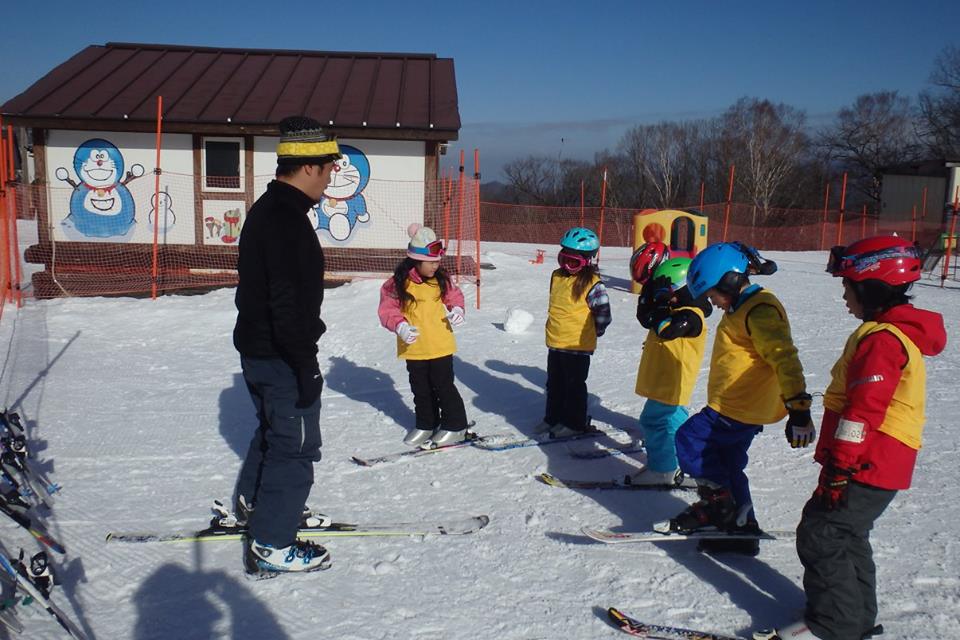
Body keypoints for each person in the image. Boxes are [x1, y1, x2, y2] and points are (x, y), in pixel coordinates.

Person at [755, 237, 945, 640]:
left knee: (822, 533)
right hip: (880, 457)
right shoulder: (887, 332)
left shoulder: (882, 341)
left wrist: (842, 464)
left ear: (871, 287)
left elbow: (863, 410)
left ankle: (835, 625)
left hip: (869, 458)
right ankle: (853, 618)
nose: (844, 296)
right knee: (845, 532)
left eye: (848, 287)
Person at [232, 115, 340, 576]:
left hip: (260, 350)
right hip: (279, 355)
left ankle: (257, 507)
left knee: (274, 433)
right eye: (330, 166)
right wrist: (304, 365)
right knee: (295, 446)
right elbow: (287, 304)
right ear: (309, 167)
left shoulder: (272, 209)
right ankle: (273, 543)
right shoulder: (286, 222)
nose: (333, 174)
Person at [662, 241, 815, 556]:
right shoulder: (741, 307)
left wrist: (798, 407)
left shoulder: (759, 311)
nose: (713, 302)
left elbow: (784, 358)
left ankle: (720, 507)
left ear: (730, 281)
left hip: (737, 408)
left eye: (713, 295)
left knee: (690, 439)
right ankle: (741, 529)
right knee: (730, 464)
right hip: (739, 407)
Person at [378, 224, 470, 448]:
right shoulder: (397, 284)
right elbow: (387, 310)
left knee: (443, 385)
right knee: (420, 387)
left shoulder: (441, 279)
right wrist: (400, 326)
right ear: (416, 260)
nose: (436, 266)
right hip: (414, 347)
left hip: (439, 345)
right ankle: (426, 423)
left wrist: (457, 310)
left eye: (438, 261)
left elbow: (455, 297)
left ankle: (456, 425)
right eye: (431, 262)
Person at [629, 257, 711, 485]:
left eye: (672, 291)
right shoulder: (678, 308)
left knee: (654, 422)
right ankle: (677, 464)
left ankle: (662, 470)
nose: (670, 297)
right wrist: (651, 293)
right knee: (673, 425)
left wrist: (663, 302)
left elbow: (666, 328)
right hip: (665, 382)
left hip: (672, 383)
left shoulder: (693, 315)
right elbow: (648, 318)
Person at [536, 227, 612, 438]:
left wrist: (596, 331)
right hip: (556, 341)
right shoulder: (556, 276)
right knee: (554, 383)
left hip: (578, 346)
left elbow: (603, 313)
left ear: (587, 261)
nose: (567, 267)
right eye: (563, 260)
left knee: (574, 386)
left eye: (574, 263)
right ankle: (553, 418)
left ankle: (574, 423)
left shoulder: (593, 284)